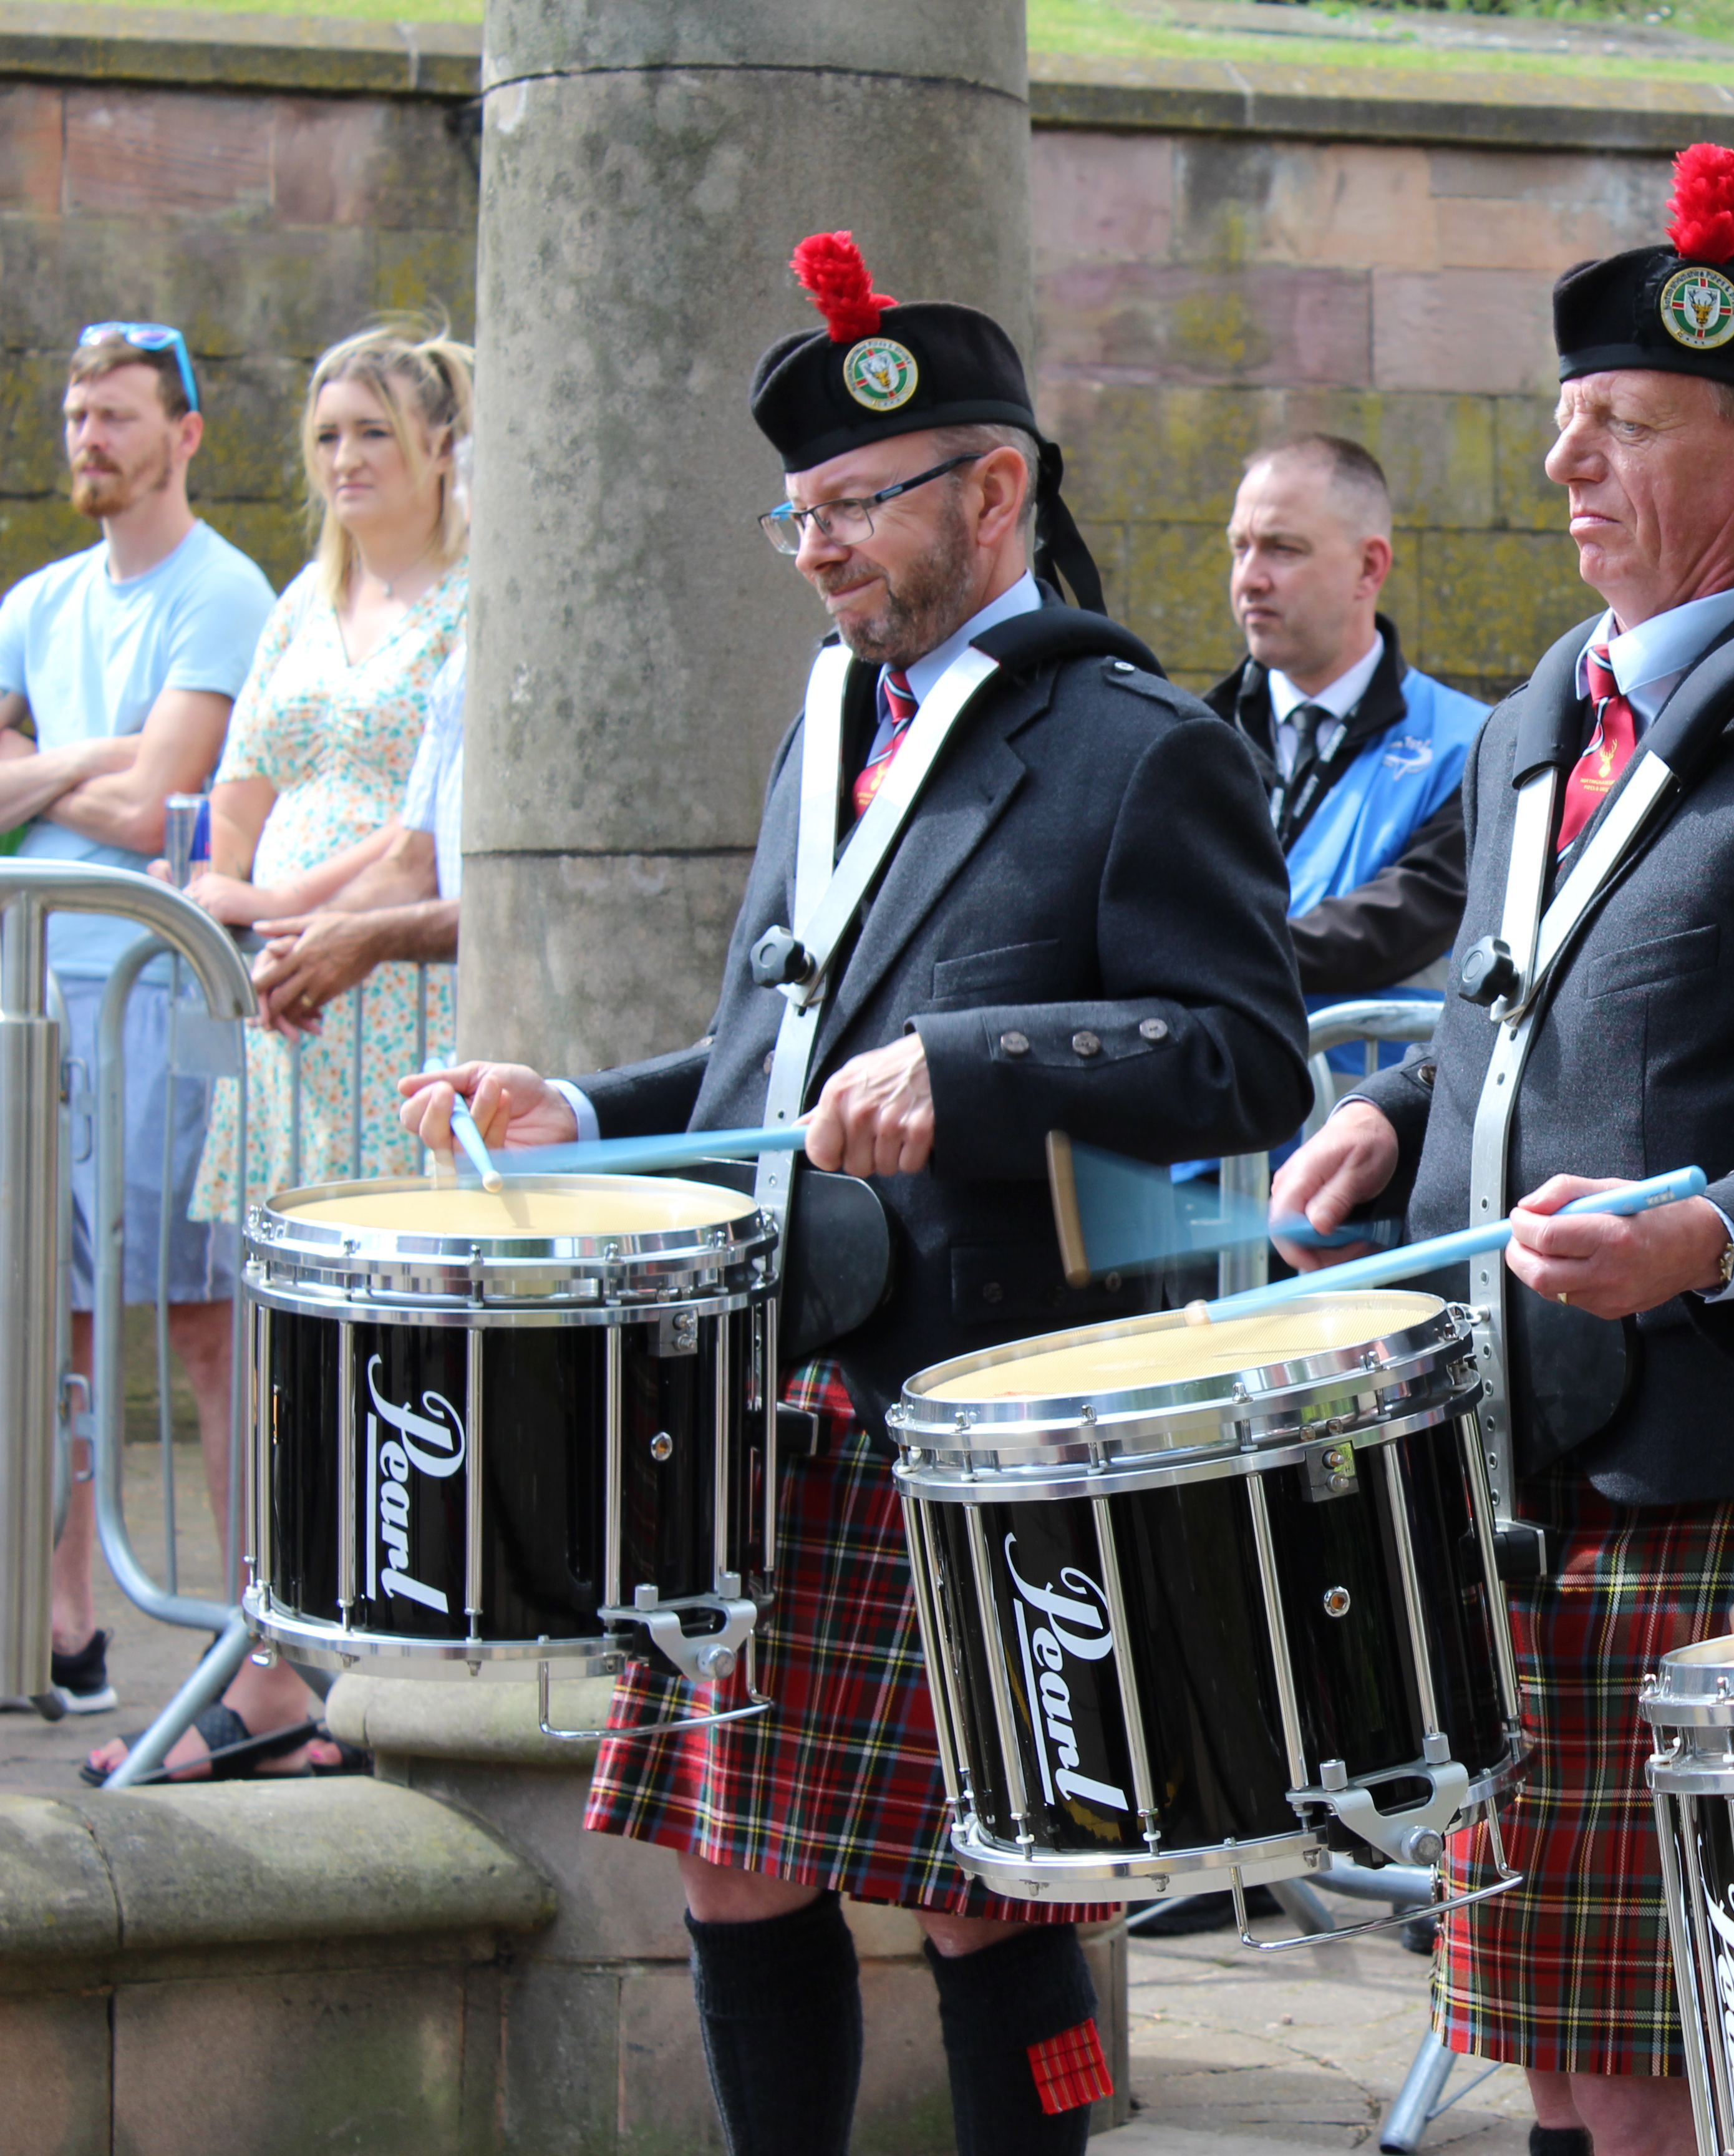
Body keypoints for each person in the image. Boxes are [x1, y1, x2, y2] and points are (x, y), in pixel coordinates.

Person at [404, 232, 1311, 2156]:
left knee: (1001, 1885)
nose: (818, 548)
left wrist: (979, 1077)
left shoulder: (1137, 750)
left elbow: (1246, 1060)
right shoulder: (834, 729)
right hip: (773, 1375)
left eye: (857, 508)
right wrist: (582, 1102)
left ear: (996, 493)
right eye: (797, 512)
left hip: (984, 1400)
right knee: (733, 1858)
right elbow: (781, 1061)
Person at [1271, 145, 1734, 2156]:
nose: (1564, 467)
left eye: (1621, 429)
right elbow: (1517, 1023)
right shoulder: (1539, 722)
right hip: (1525, 1474)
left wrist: (1706, 1236)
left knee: (1713, 2067)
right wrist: (1389, 1112)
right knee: (1578, 2058)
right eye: (1563, 424)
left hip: (1732, 1486)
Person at [0, 323, 274, 1729]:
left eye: (117, 415)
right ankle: (60, 1630)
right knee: (41, 1320)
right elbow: (126, 794)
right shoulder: (37, 600)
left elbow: (174, 792)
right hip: (36, 998)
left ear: (184, 434)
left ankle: (243, 1647)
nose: (89, 437)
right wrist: (103, 774)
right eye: (74, 412)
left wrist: (51, 774)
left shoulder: (222, 592)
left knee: (199, 1320)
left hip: (163, 995)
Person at [183, 321, 471, 1198]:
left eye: (372, 431)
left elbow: (426, 816)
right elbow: (242, 782)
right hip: (286, 987)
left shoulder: (478, 598)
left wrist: (280, 903)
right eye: (327, 436)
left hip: (394, 979)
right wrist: (215, 883)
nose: (345, 456)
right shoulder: (304, 598)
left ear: (441, 444)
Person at [1204, 434, 1488, 1003]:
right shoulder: (1189, 740)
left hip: (1371, 1091)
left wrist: (1209, 958)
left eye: (1282, 549)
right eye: (1241, 548)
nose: (1250, 579)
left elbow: (1403, 920)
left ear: (1368, 566)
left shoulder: (1476, 747)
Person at [243, 641, 463, 1037]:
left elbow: (537, 904)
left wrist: (372, 937)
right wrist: (306, 940)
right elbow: (413, 865)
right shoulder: (461, 670)